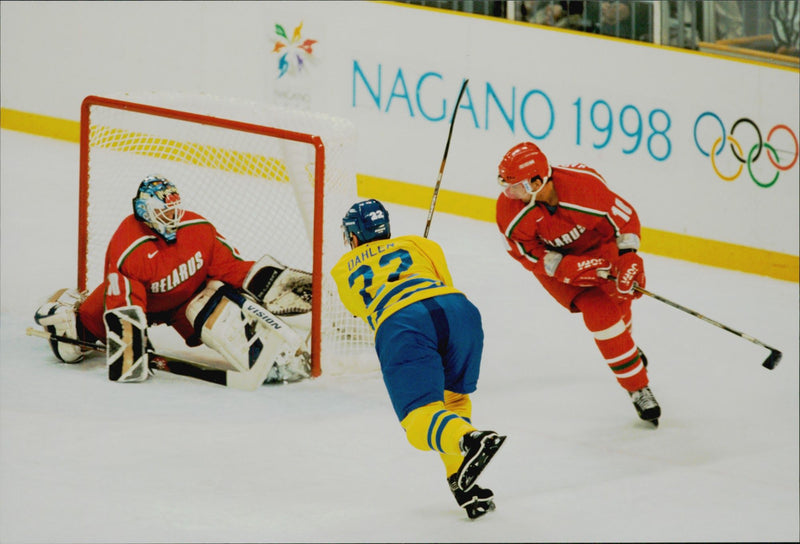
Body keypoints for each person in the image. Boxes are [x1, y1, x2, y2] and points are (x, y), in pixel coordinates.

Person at [34, 175, 313, 384]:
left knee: (213, 301)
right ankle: (66, 316)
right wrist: (130, 351)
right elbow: (124, 301)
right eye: (165, 212)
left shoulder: (197, 229)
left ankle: (269, 356)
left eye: (175, 210)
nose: (173, 217)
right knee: (71, 346)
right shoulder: (129, 247)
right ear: (145, 211)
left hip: (180, 303)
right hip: (133, 309)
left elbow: (230, 267)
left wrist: (273, 282)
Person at [330, 199, 506, 519]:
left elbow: (361, 310)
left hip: (402, 322)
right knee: (453, 400)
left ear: (353, 238)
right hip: (459, 312)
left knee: (418, 421)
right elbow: (443, 280)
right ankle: (462, 484)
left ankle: (470, 440)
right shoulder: (421, 244)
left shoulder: (342, 270)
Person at [494, 142, 660, 426]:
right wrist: (562, 266)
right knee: (599, 313)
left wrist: (629, 256)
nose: (510, 194)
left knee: (620, 300)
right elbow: (522, 251)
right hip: (556, 268)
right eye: (505, 185)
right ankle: (637, 387)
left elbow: (624, 217)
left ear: (538, 180)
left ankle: (626, 348)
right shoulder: (510, 211)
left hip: (599, 248)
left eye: (517, 186)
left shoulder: (584, 187)